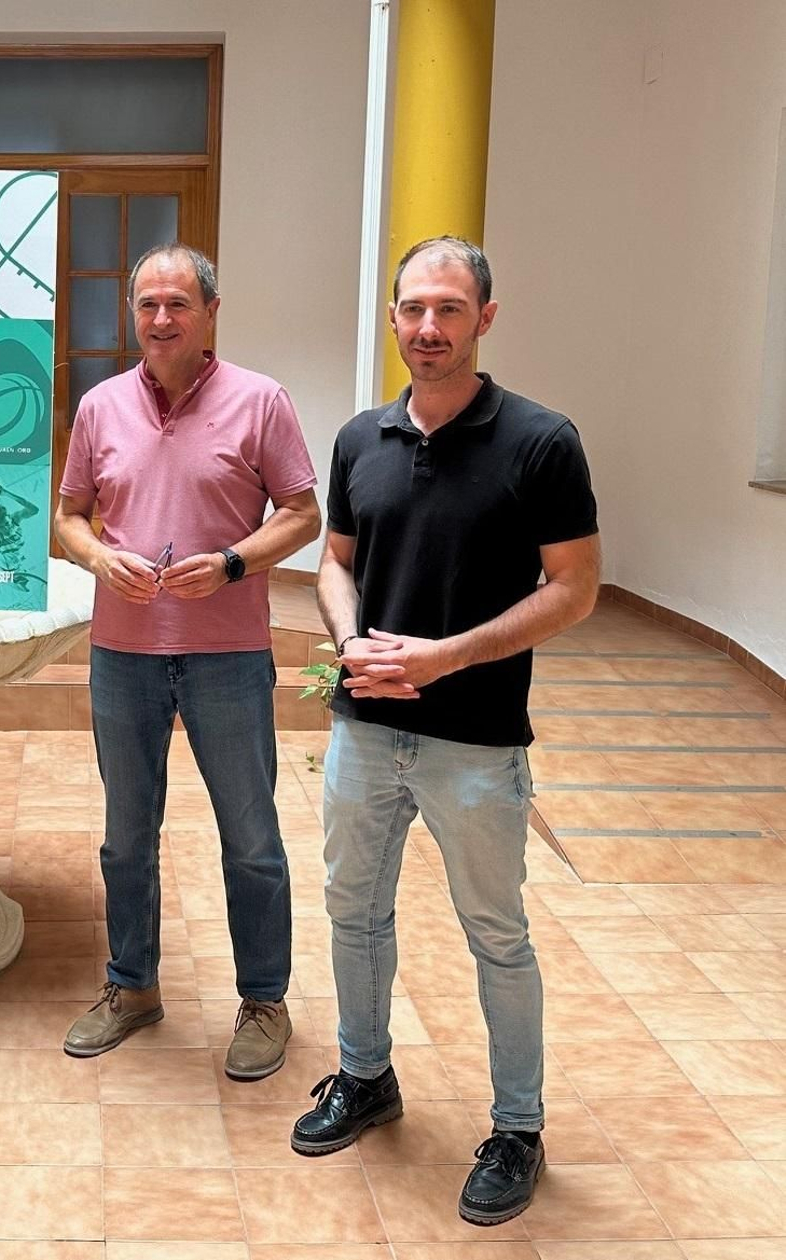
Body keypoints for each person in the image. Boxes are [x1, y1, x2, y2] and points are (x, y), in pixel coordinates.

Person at [292, 237, 599, 1226]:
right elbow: (335, 562)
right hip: (364, 729)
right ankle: (364, 1075)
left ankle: (518, 1129)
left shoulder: (541, 441)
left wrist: (445, 657)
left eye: (449, 309)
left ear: (484, 319)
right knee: (353, 910)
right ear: (393, 319)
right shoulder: (359, 439)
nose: (428, 327)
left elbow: (575, 589)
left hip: (477, 740)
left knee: (495, 934)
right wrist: (350, 641)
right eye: (414, 309)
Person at [54, 243, 321, 1079]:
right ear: (132, 314)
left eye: (178, 303)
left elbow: (303, 513)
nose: (161, 318)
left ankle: (265, 1000)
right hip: (123, 654)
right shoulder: (100, 406)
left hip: (228, 656)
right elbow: (68, 517)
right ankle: (132, 987)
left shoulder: (260, 401)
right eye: (148, 304)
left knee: (251, 837)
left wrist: (235, 562)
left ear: (210, 313)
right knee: (125, 839)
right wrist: (99, 558)